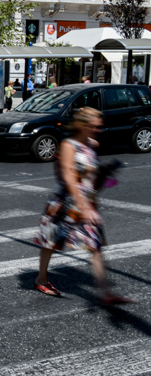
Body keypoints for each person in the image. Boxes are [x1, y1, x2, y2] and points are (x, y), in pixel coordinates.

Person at [33, 108, 132, 305]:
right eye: (94, 126)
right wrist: (82, 206)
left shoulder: (92, 144)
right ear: (82, 125)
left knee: (94, 246)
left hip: (87, 203)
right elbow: (69, 176)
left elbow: (90, 175)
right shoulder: (68, 145)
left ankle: (106, 292)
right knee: (51, 242)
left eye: (99, 126)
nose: (98, 130)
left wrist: (104, 172)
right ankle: (41, 278)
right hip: (64, 203)